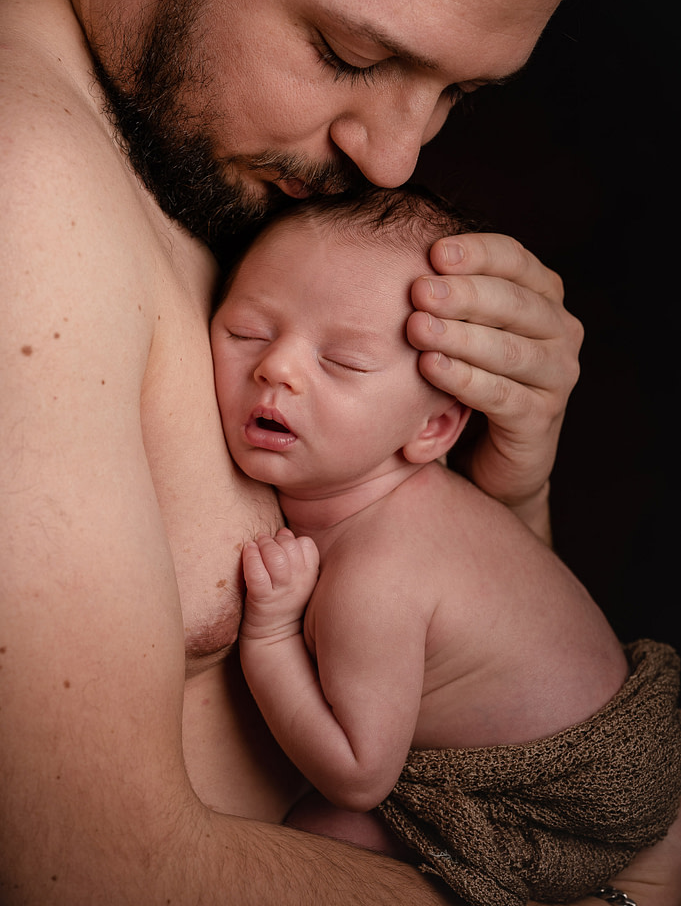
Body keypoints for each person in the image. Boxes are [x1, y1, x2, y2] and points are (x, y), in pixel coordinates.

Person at [1, 0, 679, 903]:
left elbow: (449, 680)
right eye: (352, 56)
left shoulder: (203, 157)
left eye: (459, 94)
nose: (397, 155)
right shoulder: (23, 190)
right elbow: (92, 870)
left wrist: (502, 487)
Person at [211, 184, 681, 906]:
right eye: (246, 331)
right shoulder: (399, 501)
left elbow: (357, 772)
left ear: (431, 430)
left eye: (343, 362)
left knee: (312, 836)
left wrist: (270, 632)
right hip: (611, 735)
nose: (277, 367)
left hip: (563, 799)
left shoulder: (378, 570)